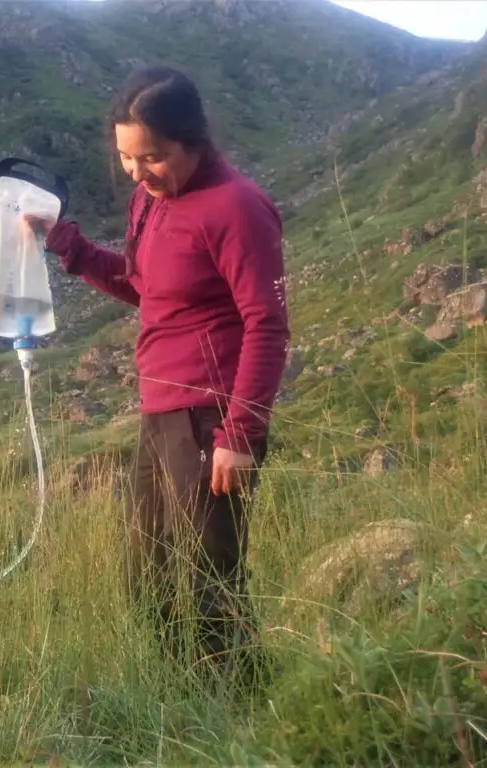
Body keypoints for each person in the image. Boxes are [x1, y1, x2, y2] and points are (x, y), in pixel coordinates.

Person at [25, 65, 290, 677]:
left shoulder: (238, 208)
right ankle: (180, 704)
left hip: (212, 418)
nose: (138, 174)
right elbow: (147, 286)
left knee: (209, 582)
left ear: (192, 139)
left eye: (153, 157)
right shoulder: (151, 200)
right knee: (147, 576)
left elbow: (267, 325)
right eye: (126, 159)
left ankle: (243, 715)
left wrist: (239, 436)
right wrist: (69, 245)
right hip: (161, 409)